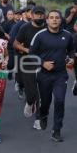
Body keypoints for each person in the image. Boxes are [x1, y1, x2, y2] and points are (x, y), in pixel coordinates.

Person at [30, 10, 74, 142]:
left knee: (60, 101)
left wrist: (71, 58)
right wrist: (43, 63)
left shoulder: (67, 35)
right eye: (51, 18)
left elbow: (71, 50)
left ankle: (56, 130)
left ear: (60, 20)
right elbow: (31, 54)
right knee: (46, 102)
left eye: (57, 18)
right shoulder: (40, 35)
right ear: (47, 20)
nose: (54, 20)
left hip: (61, 74)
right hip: (44, 75)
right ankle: (43, 115)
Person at [13, 6, 46, 130]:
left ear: (44, 15)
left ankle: (38, 118)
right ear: (31, 15)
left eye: (41, 14)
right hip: (27, 62)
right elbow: (15, 44)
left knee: (41, 92)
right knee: (31, 92)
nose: (39, 17)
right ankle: (29, 102)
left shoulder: (47, 27)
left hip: (42, 62)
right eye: (37, 14)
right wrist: (27, 49)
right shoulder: (25, 28)